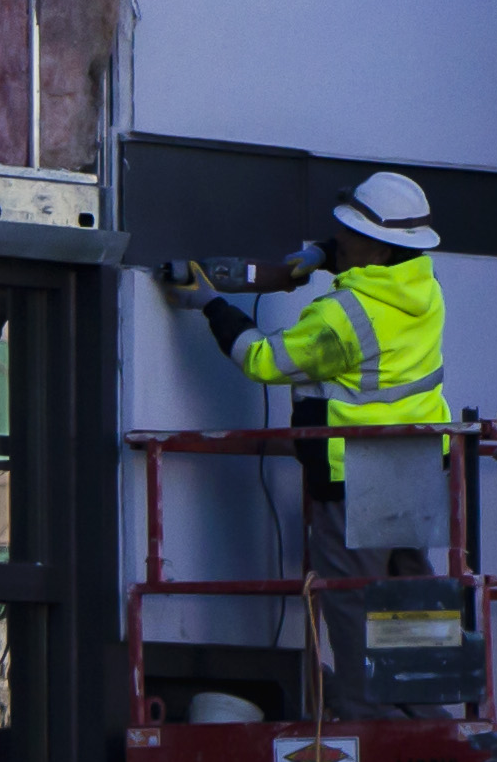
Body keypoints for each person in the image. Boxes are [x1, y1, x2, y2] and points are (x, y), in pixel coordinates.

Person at [180, 172, 453, 686]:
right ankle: (425, 709)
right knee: (408, 596)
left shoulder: (342, 316)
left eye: (348, 233)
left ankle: (364, 717)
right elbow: (375, 261)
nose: (341, 238)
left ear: (376, 245)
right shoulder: (424, 289)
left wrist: (210, 303)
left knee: (352, 603)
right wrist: (322, 256)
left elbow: (263, 360)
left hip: (355, 476)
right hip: (415, 465)